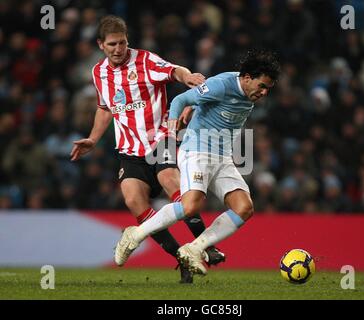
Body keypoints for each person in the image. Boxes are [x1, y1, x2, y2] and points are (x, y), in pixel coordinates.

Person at [70, 15, 225, 283]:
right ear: (100, 45)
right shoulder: (98, 73)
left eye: (122, 43)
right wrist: (93, 139)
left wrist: (188, 78)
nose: (118, 49)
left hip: (160, 139)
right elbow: (105, 109)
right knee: (133, 200)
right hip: (129, 150)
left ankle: (206, 246)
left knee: (171, 181)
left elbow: (175, 70)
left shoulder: (145, 60)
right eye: (112, 44)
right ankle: (182, 258)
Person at [113, 49, 281, 276]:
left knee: (244, 208)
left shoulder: (242, 88)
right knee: (191, 205)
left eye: (268, 89)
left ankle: (194, 249)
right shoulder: (222, 84)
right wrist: (173, 128)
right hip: (197, 150)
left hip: (223, 157)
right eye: (262, 86)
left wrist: (196, 105)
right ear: (248, 78)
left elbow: (200, 98)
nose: (263, 93)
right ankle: (135, 235)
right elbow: (181, 98)